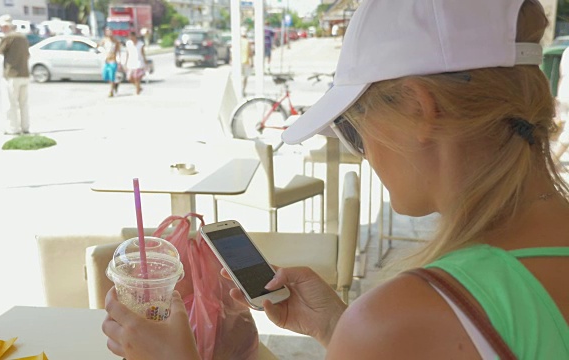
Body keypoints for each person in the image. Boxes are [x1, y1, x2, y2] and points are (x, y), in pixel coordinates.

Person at [102, 0, 569, 358]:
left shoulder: (413, 313)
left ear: (419, 109)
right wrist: (338, 330)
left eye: (350, 128)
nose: (362, 153)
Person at [0, 14, 30, 135]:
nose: (1, 30)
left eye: (1, 27)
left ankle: (13, 129)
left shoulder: (8, 38)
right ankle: (25, 127)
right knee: (23, 104)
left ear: (5, 27)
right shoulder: (23, 38)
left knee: (10, 103)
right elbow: (27, 55)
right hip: (25, 73)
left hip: (11, 74)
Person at [554, 46, 569, 161]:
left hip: (564, 89)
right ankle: (552, 161)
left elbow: (560, 74)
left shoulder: (566, 51)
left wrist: (558, 96)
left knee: (565, 124)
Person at [100, 28, 121, 97]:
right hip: (106, 60)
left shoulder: (116, 41)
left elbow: (118, 51)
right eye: (108, 32)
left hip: (113, 60)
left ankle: (111, 91)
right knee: (106, 76)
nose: (109, 33)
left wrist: (119, 60)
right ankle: (115, 84)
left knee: (112, 76)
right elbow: (99, 47)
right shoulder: (104, 40)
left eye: (110, 31)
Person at [240, 27, 252, 97]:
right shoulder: (247, 41)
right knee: (245, 77)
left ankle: (241, 89)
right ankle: (243, 89)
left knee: (241, 76)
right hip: (246, 61)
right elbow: (250, 53)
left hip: (239, 62)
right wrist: (252, 62)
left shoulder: (238, 41)